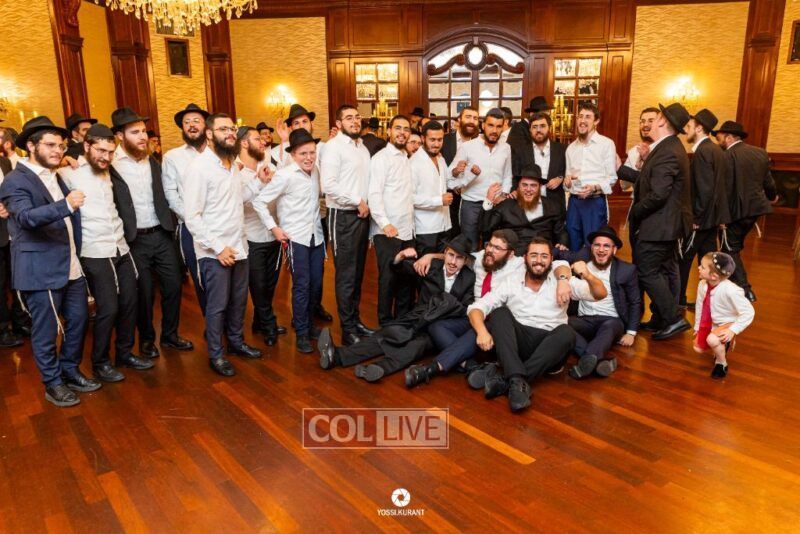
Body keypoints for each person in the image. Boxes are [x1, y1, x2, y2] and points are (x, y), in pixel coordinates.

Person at [0, 116, 95, 407]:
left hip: (70, 264)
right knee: (46, 330)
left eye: (61, 145)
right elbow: (26, 218)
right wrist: (66, 205)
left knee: (79, 320)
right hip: (40, 269)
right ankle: (52, 383)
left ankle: (70, 370)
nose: (58, 150)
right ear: (31, 146)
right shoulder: (16, 180)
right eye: (50, 145)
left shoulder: (55, 175)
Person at [466, 238, 607, 412]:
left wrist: (588, 275)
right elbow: (477, 308)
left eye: (544, 256)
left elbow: (600, 294)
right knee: (499, 313)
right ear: (525, 257)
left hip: (550, 348)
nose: (539, 260)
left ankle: (506, 376)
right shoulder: (511, 281)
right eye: (533, 255)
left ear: (551, 259)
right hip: (519, 344)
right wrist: (481, 331)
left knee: (567, 332)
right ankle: (516, 381)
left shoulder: (562, 281)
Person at [59, 123, 153, 382]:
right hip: (94, 250)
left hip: (120, 245)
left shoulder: (110, 171)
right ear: (86, 146)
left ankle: (124, 353)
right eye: (100, 150)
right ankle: (100, 362)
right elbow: (44, 175)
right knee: (109, 308)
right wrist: (64, 159)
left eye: (110, 152)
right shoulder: (68, 173)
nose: (106, 157)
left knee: (130, 303)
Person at [317, 235, 475, 383]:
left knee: (415, 347)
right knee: (387, 334)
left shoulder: (469, 278)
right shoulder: (432, 265)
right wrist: (400, 257)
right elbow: (401, 268)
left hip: (437, 327)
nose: (453, 262)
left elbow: (464, 308)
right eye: (451, 255)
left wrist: (443, 304)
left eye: (459, 258)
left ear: (465, 260)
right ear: (445, 253)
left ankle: (377, 368)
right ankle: (336, 356)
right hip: (417, 317)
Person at [184, 113, 263, 377]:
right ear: (209, 134)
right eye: (223, 129)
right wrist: (218, 248)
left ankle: (236, 343)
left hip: (239, 246)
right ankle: (216, 355)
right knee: (217, 306)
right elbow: (192, 217)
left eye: (232, 128)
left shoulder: (231, 165)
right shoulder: (199, 168)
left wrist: (260, 181)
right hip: (214, 252)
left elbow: (239, 199)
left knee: (239, 302)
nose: (230, 133)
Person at [110, 107, 193, 358]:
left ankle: (170, 335)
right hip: (134, 239)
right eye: (135, 132)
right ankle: (147, 340)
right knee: (144, 293)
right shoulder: (111, 165)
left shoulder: (154, 161)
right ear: (120, 136)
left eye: (144, 131)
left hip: (162, 234)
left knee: (173, 286)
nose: (143, 137)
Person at [404, 230, 523, 388]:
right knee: (436, 326)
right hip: (475, 315)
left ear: (510, 254)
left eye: (497, 248)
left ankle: (431, 369)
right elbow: (456, 254)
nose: (490, 250)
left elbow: (551, 262)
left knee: (485, 325)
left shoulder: (520, 266)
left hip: (497, 323)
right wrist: (430, 256)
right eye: (489, 245)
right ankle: (472, 366)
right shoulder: (481, 257)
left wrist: (560, 275)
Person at [253, 129, 326, 353]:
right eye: (303, 153)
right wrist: (274, 228)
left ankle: (310, 325)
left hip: (316, 237)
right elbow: (259, 202)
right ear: (293, 154)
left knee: (316, 284)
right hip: (296, 238)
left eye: (312, 152)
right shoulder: (285, 175)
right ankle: (302, 333)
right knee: (302, 286)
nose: (309, 157)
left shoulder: (316, 171)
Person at [629, 103, 693, 340]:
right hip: (665, 225)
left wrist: (636, 211)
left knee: (646, 271)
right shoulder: (667, 147)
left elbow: (658, 194)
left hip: (660, 225)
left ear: (663, 121)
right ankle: (660, 318)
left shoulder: (667, 151)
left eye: (656, 117)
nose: (652, 121)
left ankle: (674, 319)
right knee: (661, 272)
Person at [320, 104, 375, 345]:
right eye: (349, 118)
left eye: (357, 117)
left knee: (358, 272)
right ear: (339, 123)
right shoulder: (333, 147)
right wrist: (357, 201)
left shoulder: (362, 147)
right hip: (343, 216)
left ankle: (356, 320)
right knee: (346, 275)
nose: (355, 121)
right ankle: (347, 329)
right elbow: (328, 185)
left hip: (362, 215)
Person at [564, 226, 640, 379]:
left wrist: (631, 332)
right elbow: (558, 258)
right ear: (591, 248)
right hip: (584, 319)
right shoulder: (581, 266)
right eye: (597, 245)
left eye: (606, 246)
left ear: (614, 250)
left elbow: (635, 302)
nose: (601, 250)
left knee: (609, 327)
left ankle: (587, 360)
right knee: (560, 324)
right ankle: (597, 363)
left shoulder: (626, 270)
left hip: (611, 320)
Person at [713, 121, 777, 302]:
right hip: (755, 209)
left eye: (719, 137)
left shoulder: (726, 156)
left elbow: (724, 189)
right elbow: (768, 181)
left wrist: (721, 216)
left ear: (729, 137)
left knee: (729, 249)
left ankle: (744, 290)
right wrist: (773, 196)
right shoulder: (760, 152)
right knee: (733, 246)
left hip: (736, 211)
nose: (717, 141)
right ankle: (729, 288)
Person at [236, 126, 286, 347]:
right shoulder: (235, 171)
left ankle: (259, 321)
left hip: (273, 235)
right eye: (257, 139)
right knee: (257, 285)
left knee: (270, 284)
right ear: (244, 143)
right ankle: (269, 324)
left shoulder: (268, 165)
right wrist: (258, 181)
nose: (263, 142)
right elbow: (238, 201)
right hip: (251, 237)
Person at [161, 103, 210, 313]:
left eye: (196, 121)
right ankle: (213, 324)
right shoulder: (172, 157)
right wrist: (193, 219)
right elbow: (171, 194)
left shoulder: (218, 152)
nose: (191, 125)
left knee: (227, 275)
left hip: (221, 224)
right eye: (186, 122)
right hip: (190, 228)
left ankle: (231, 324)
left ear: (206, 125)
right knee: (201, 278)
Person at [679, 109, 730, 307]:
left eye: (689, 126)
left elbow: (704, 189)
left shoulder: (703, 151)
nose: (686, 130)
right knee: (709, 263)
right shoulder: (716, 150)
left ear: (699, 128)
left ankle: (679, 301)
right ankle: (708, 303)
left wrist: (695, 219)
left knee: (683, 259)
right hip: (712, 219)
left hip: (701, 220)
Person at [369, 115, 416, 326]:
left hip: (407, 229)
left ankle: (402, 321)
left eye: (406, 129)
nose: (402, 133)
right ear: (388, 131)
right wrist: (384, 223)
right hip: (387, 230)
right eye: (398, 128)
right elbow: (374, 194)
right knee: (388, 279)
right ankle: (386, 323)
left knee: (406, 278)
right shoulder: (381, 158)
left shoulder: (407, 157)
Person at [448, 108, 513, 250]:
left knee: (493, 246)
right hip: (471, 204)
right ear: (483, 125)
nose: (494, 130)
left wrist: (503, 195)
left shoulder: (506, 148)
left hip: (496, 205)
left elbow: (507, 175)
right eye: (490, 125)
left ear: (503, 127)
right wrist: (456, 170)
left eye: (498, 126)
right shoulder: (467, 147)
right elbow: (450, 175)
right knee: (469, 246)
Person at [564, 102, 617, 250]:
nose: (582, 120)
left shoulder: (606, 144)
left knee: (594, 245)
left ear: (596, 121)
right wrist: (567, 182)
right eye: (580, 116)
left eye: (588, 117)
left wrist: (594, 188)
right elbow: (567, 179)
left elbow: (612, 178)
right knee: (573, 243)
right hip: (574, 203)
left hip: (594, 202)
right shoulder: (570, 148)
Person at [481, 165, 568, 255]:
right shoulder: (505, 205)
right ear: (518, 186)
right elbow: (487, 229)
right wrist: (489, 199)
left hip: (543, 255)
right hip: (514, 255)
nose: (528, 189)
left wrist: (562, 243)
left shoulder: (553, 206)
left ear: (540, 186)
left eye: (533, 185)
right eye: (524, 185)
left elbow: (560, 231)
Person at [693, 252, 754, 378]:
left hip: (728, 322)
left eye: (702, 267)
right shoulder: (702, 284)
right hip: (711, 320)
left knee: (712, 340)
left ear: (714, 276)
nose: (698, 267)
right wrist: (697, 326)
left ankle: (721, 363)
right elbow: (700, 306)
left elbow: (749, 312)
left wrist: (732, 330)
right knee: (697, 348)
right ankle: (723, 344)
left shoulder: (731, 290)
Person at [411, 121, 452, 256]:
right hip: (426, 229)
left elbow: (449, 183)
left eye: (440, 140)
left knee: (442, 265)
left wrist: (468, 174)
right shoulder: (414, 163)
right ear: (423, 138)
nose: (436, 144)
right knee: (425, 266)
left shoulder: (441, 159)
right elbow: (410, 198)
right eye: (432, 140)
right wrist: (439, 200)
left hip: (445, 225)